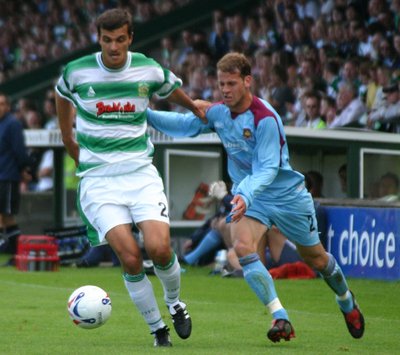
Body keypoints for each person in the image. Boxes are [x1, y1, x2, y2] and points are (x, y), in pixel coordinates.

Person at [146, 52, 365, 343]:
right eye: (221, 83)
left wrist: (245, 194)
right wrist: (142, 114)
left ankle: (346, 300)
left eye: (231, 83)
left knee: (317, 259)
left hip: (286, 196)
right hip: (251, 199)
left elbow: (267, 169)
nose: (225, 90)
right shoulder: (219, 113)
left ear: (248, 81)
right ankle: (280, 316)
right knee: (242, 246)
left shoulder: (265, 119)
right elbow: (184, 126)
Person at [55, 9, 206, 347]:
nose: (113, 47)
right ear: (99, 39)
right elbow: (62, 94)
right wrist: (67, 137)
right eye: (107, 40)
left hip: (139, 174)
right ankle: (158, 330)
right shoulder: (77, 71)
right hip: (99, 181)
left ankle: (175, 302)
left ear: (130, 38)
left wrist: (194, 107)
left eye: (120, 39)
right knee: (131, 256)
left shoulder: (146, 67)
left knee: (160, 248)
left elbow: (170, 88)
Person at [0, 92, 31, 260]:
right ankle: (11, 250)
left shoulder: (12, 124)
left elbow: (20, 151)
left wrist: (24, 170)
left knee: (7, 215)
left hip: (7, 177)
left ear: (8, 106)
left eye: (2, 103)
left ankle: (16, 252)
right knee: (3, 216)